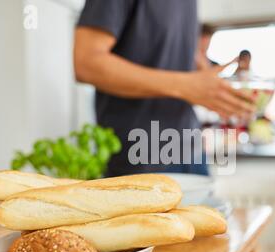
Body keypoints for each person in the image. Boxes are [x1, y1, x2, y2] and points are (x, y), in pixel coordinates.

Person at [74, 0, 255, 176]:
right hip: (139, 156)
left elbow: (168, 57)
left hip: (192, 151)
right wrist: (186, 85)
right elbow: (86, 62)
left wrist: (215, 91)